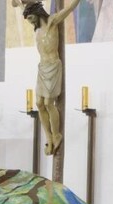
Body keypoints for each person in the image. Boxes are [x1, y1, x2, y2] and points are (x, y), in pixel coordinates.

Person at [14, 0, 81, 154]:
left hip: (53, 66)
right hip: (42, 67)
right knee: (39, 103)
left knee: (49, 103)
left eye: (31, 18)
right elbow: (22, 6)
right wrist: (18, 3)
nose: (30, 22)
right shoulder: (36, 28)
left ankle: (56, 135)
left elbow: (70, 8)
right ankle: (49, 137)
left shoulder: (52, 21)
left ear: (37, 14)